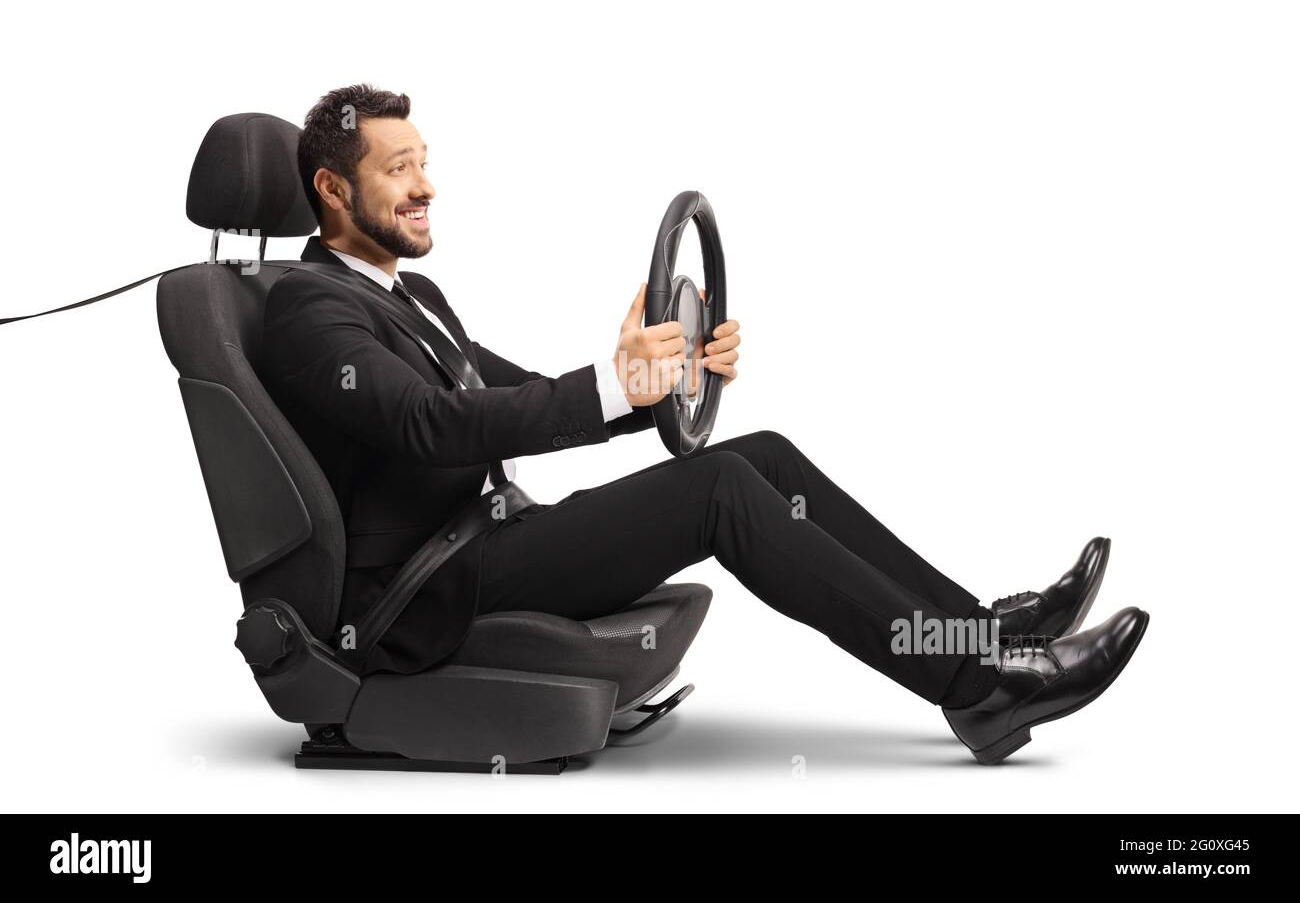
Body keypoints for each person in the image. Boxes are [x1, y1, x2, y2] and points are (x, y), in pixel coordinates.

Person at [262, 84, 1149, 765]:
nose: (427, 186)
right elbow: (432, 426)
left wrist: (656, 385)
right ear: (334, 189)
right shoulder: (309, 310)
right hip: (425, 591)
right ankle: (983, 688)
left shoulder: (405, 294)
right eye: (399, 170)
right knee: (721, 488)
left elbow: (509, 399)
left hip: (487, 541)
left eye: (424, 161)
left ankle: (975, 633)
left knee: (757, 454)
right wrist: (617, 383)